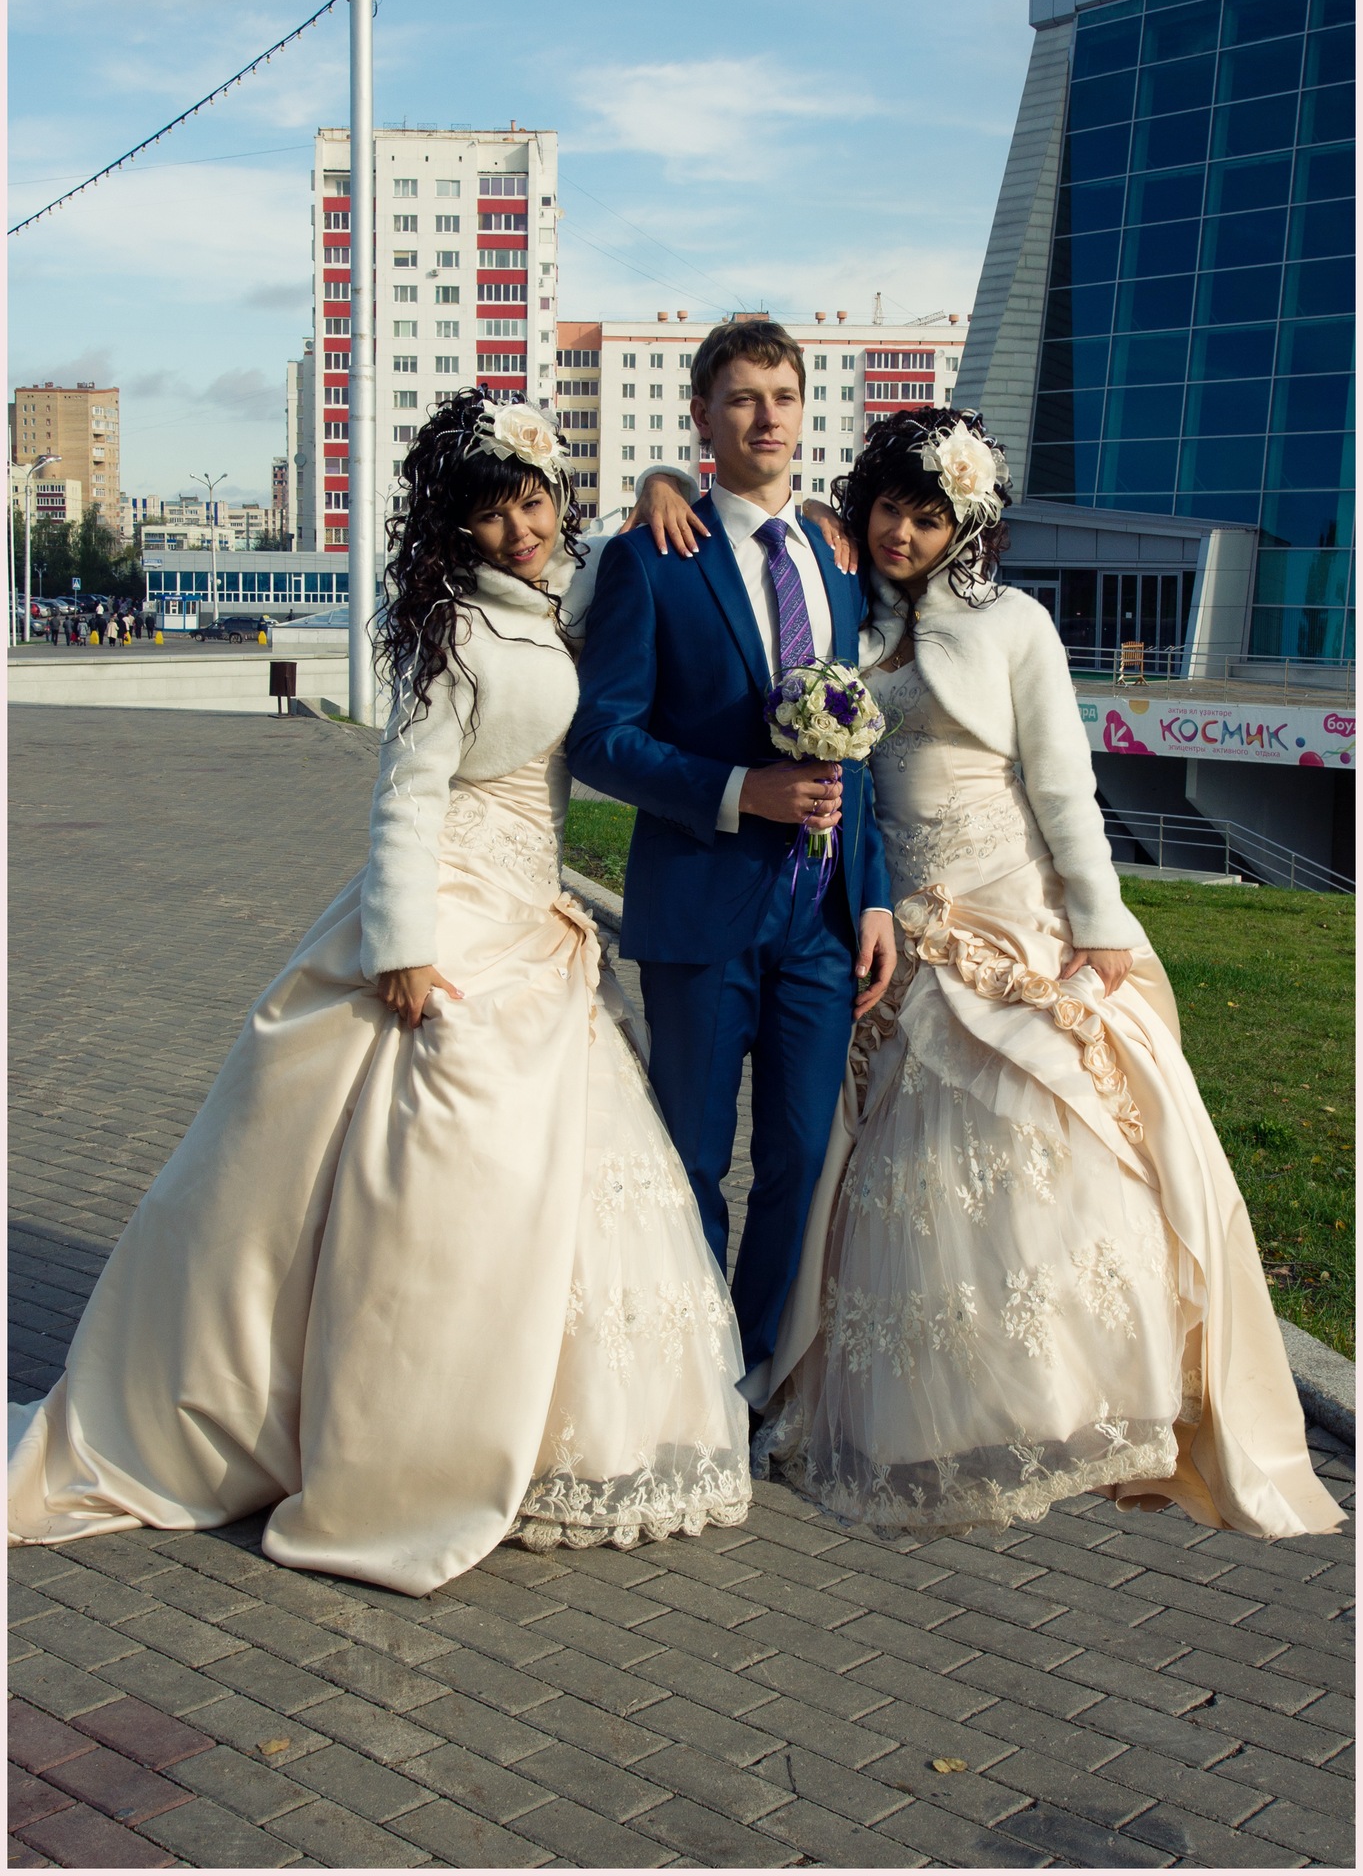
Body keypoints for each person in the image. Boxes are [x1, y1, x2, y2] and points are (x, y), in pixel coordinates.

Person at [9, 393, 751, 1595]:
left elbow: (622, 562)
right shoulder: (455, 630)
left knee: (557, 1171)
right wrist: (402, 945)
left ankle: (537, 1423)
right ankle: (410, 1435)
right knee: (445, 1169)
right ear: (458, 528)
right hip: (455, 909)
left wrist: (662, 476)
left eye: (532, 503)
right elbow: (405, 793)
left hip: (532, 911)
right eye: (494, 513)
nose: (520, 528)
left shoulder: (553, 601)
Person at [746, 409, 1339, 1541]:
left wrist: (1098, 918)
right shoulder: (840, 618)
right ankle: (937, 1409)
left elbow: (1062, 781)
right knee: (908, 1160)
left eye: (930, 517)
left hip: (1009, 904)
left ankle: (1074, 1387)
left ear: (965, 525)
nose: (904, 533)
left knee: (1042, 1122)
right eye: (890, 509)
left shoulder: (1012, 622)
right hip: (894, 915)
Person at [567, 321, 897, 1399]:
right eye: (743, 397)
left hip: (821, 919)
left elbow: (853, 746)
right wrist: (734, 791)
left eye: (783, 396)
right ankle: (691, 1365)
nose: (766, 416)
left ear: (805, 411)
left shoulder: (835, 562)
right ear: (702, 417)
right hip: (702, 909)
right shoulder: (650, 559)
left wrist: (873, 898)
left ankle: (751, 1362)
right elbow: (601, 737)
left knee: (800, 1157)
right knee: (694, 1158)